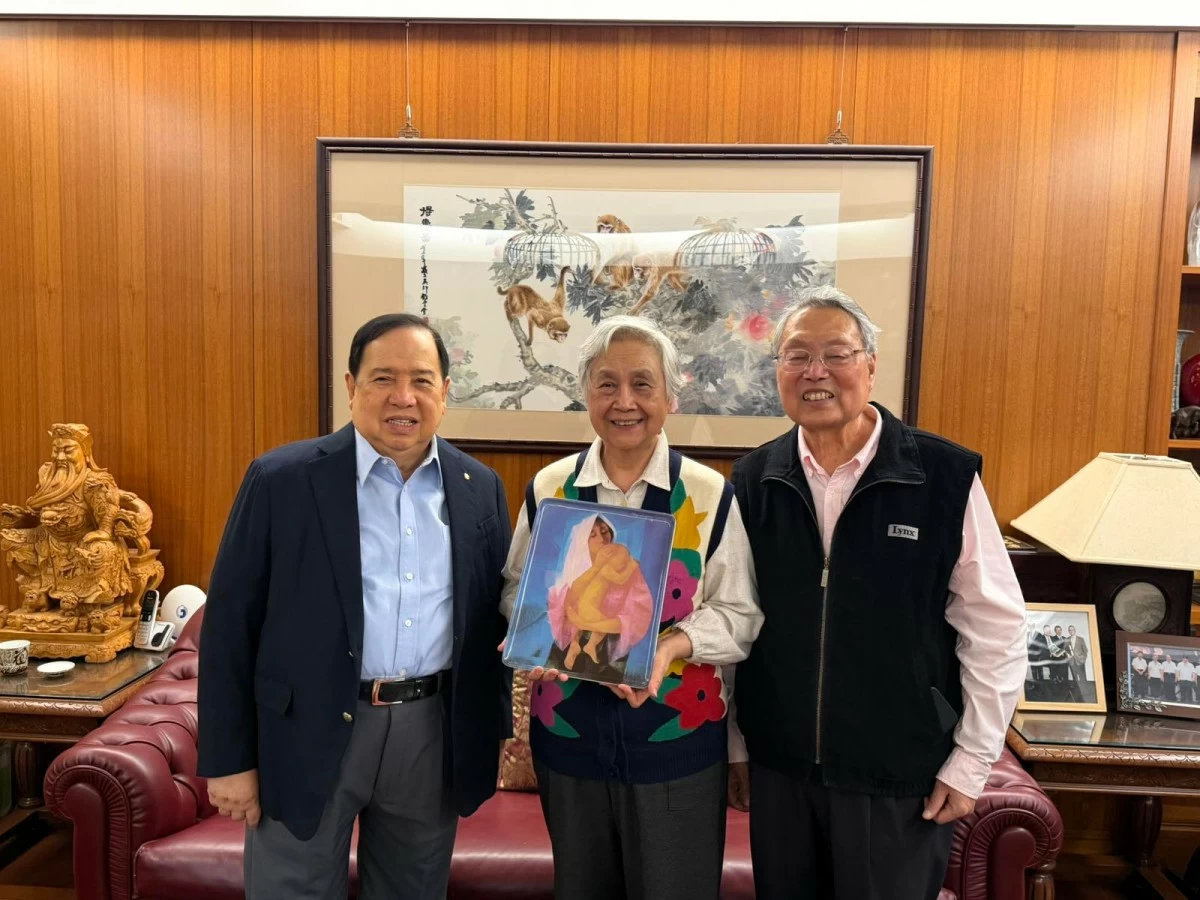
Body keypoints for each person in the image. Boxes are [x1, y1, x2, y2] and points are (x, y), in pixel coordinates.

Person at [197, 314, 513, 900]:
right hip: (305, 728)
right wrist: (228, 759)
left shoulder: (479, 487)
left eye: (421, 380)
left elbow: (489, 619)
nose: (403, 398)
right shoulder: (282, 480)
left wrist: (489, 734)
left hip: (430, 729)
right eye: (382, 379)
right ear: (350, 387)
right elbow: (227, 629)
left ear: (445, 391)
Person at [730, 286, 1027, 900]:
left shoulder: (942, 477)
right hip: (782, 769)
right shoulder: (754, 480)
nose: (815, 372)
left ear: (870, 364)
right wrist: (737, 745)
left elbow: (995, 626)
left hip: (897, 773)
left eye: (835, 354)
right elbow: (736, 619)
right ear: (777, 371)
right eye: (795, 355)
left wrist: (973, 761)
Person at [501, 315, 763, 900]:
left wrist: (669, 645)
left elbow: (739, 613)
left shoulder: (708, 492)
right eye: (606, 383)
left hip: (677, 744)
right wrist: (537, 632)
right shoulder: (550, 489)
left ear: (671, 394)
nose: (625, 402)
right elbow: (519, 589)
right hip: (567, 742)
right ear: (585, 393)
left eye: (643, 384)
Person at [550, 514, 654, 674]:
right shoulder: (574, 576)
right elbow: (567, 605)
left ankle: (587, 645)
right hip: (563, 661)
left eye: (605, 532)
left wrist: (586, 624)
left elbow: (636, 619)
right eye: (592, 535)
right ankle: (576, 646)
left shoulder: (627, 572)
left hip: (608, 659)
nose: (602, 539)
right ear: (582, 542)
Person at [1065, 624, 1092, 703]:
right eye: (1070, 630)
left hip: (1080, 662)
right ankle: (1077, 695)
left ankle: (1085, 694)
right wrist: (1068, 656)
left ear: (1075, 630)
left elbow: (1085, 651)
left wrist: (1083, 659)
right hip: (1072, 662)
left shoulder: (1080, 639)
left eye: (1072, 629)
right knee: (1075, 679)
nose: (1071, 631)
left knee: (1082, 678)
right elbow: (1065, 650)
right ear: (1068, 631)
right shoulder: (1066, 639)